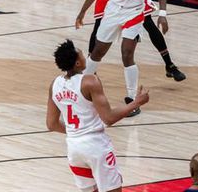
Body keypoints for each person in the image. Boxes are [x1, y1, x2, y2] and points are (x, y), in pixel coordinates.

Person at [75, 0, 169, 117]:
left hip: (134, 12)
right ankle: (82, 90)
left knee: (127, 53)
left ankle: (132, 100)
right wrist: (83, 11)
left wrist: (163, 13)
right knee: (97, 52)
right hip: (112, 11)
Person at [46, 39, 149, 192]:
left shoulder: (54, 84)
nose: (84, 56)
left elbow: (51, 124)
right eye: (81, 54)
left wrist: (78, 132)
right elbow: (109, 118)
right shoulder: (90, 81)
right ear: (77, 64)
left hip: (74, 148)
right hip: (96, 147)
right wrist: (136, 103)